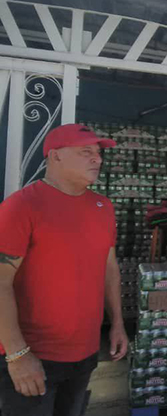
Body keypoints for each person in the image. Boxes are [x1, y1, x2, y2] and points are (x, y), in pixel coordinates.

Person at [0, 124, 129, 416]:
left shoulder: (103, 207)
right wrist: (17, 355)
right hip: (34, 357)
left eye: (99, 153)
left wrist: (117, 323)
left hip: (85, 354)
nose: (97, 159)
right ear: (55, 156)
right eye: (86, 152)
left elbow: (109, 269)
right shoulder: (21, 207)